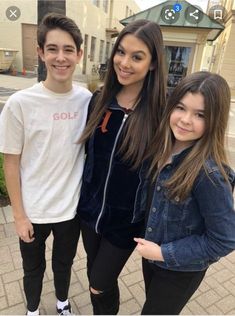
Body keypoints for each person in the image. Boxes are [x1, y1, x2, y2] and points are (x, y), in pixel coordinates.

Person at [0, 13, 91, 316]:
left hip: (70, 210)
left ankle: (63, 304)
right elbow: (11, 163)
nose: (60, 57)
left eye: (68, 49)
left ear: (79, 54)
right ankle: (32, 310)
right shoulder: (20, 103)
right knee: (32, 269)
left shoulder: (87, 100)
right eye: (52, 48)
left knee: (64, 264)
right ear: (40, 52)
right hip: (33, 211)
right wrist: (19, 215)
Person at [77, 19, 166, 314]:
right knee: (95, 277)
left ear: (153, 64)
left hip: (126, 223)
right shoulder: (99, 100)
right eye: (121, 52)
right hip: (89, 214)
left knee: (99, 283)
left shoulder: (161, 113)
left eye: (137, 56)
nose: (124, 63)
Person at [134, 71, 235, 315]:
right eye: (181, 107)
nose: (186, 120)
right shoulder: (162, 147)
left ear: (215, 121)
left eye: (200, 115)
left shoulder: (208, 174)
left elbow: (224, 239)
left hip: (181, 270)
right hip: (153, 258)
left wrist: (162, 253)